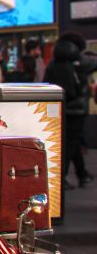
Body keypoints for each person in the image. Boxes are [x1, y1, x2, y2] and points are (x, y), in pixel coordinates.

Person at [43, 35, 91, 189]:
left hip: (57, 109)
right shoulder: (80, 64)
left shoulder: (52, 64)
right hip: (76, 109)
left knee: (69, 143)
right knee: (70, 144)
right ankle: (60, 178)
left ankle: (82, 173)